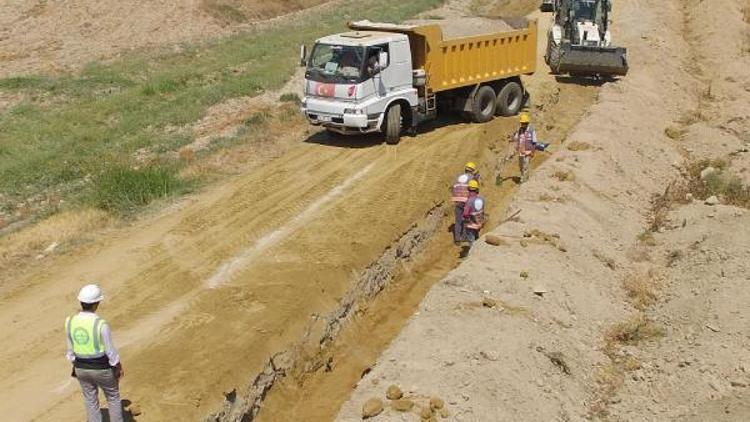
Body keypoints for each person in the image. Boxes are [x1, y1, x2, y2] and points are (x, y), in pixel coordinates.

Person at [66, 284, 124, 422]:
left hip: (80, 367)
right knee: (113, 396)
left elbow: (70, 351)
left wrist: (77, 365)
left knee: (90, 399)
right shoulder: (100, 324)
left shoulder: (70, 321)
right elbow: (110, 351)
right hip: (102, 368)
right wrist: (118, 366)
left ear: (81, 302)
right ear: (96, 304)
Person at [450, 162, 481, 245]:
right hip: (467, 201)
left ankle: (457, 239)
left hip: (457, 201)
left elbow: (453, 188)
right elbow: (475, 190)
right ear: (472, 171)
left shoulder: (458, 177)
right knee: (467, 218)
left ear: (465, 169)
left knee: (458, 220)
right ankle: (464, 236)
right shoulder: (472, 178)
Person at [512, 112, 538, 183]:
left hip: (528, 152)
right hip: (521, 152)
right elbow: (517, 139)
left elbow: (534, 142)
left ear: (527, 123)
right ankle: (525, 177)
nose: (522, 125)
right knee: (521, 166)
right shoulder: (520, 130)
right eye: (522, 123)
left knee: (525, 166)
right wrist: (516, 145)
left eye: (524, 123)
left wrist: (533, 152)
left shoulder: (531, 130)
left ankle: (523, 181)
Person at [462, 179, 486, 249]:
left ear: (468, 189)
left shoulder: (469, 201)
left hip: (471, 224)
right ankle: (479, 248)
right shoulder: (482, 198)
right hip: (479, 222)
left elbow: (465, 214)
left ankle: (473, 252)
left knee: (471, 239)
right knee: (476, 236)